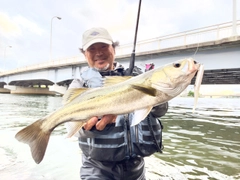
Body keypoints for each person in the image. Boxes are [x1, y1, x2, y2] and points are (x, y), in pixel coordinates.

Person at [68, 27, 168, 180]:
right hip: (96, 170)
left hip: (136, 168)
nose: (99, 53)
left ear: (113, 48)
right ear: (84, 54)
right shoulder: (79, 84)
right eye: (92, 49)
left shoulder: (137, 76)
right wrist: (89, 127)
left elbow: (159, 112)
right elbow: (71, 126)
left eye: (103, 47)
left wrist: (156, 97)